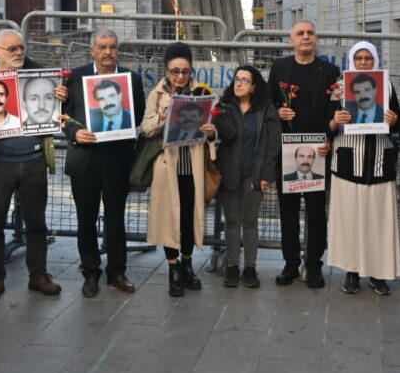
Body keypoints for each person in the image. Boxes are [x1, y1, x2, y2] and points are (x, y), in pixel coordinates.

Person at [0, 29, 66, 301]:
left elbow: (60, 112)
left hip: (34, 160)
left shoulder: (41, 74)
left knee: (36, 223)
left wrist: (63, 97)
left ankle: (38, 275)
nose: (18, 52)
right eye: (12, 48)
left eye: (21, 48)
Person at [62, 29, 144, 296]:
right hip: (84, 159)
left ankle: (117, 273)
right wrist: (75, 132)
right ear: (92, 51)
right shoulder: (75, 77)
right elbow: (63, 116)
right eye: (102, 47)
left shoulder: (131, 79)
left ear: (118, 50)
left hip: (117, 159)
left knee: (116, 217)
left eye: (112, 47)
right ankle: (90, 273)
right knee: (86, 218)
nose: (108, 52)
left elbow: (138, 115)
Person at [268, 20, 340, 288]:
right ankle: (290, 263)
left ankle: (314, 264)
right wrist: (278, 111)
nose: (306, 37)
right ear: (291, 40)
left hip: (318, 150)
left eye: (310, 33)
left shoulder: (330, 71)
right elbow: (267, 102)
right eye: (300, 33)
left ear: (316, 38)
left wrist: (329, 138)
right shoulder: (279, 68)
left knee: (316, 212)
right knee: (288, 212)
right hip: (287, 151)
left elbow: (335, 109)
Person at [327, 42, 400, 296]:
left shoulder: (387, 85)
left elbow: (399, 123)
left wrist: (394, 120)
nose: (362, 62)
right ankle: (352, 271)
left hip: (379, 165)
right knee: (350, 222)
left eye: (367, 58)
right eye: (358, 58)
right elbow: (326, 124)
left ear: (375, 60)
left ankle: (378, 273)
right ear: (351, 60)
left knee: (378, 223)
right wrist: (334, 121)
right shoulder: (339, 87)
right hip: (348, 165)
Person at [141, 42, 216, 297]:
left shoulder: (202, 92)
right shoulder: (157, 94)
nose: (180, 76)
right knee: (169, 218)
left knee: (189, 217)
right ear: (166, 70)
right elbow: (146, 128)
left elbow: (212, 127)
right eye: (175, 71)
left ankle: (187, 264)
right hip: (167, 166)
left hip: (192, 165)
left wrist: (210, 132)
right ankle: (173, 269)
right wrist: (163, 116)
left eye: (185, 71)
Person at [213, 65, 281, 289]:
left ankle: (250, 268)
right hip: (229, 172)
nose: (239, 83)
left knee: (250, 222)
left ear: (253, 87)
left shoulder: (265, 109)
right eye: (237, 79)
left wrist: (267, 174)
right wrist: (216, 117)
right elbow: (226, 134)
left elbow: (273, 144)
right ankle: (232, 267)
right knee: (232, 221)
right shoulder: (223, 107)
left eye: (245, 80)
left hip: (254, 174)